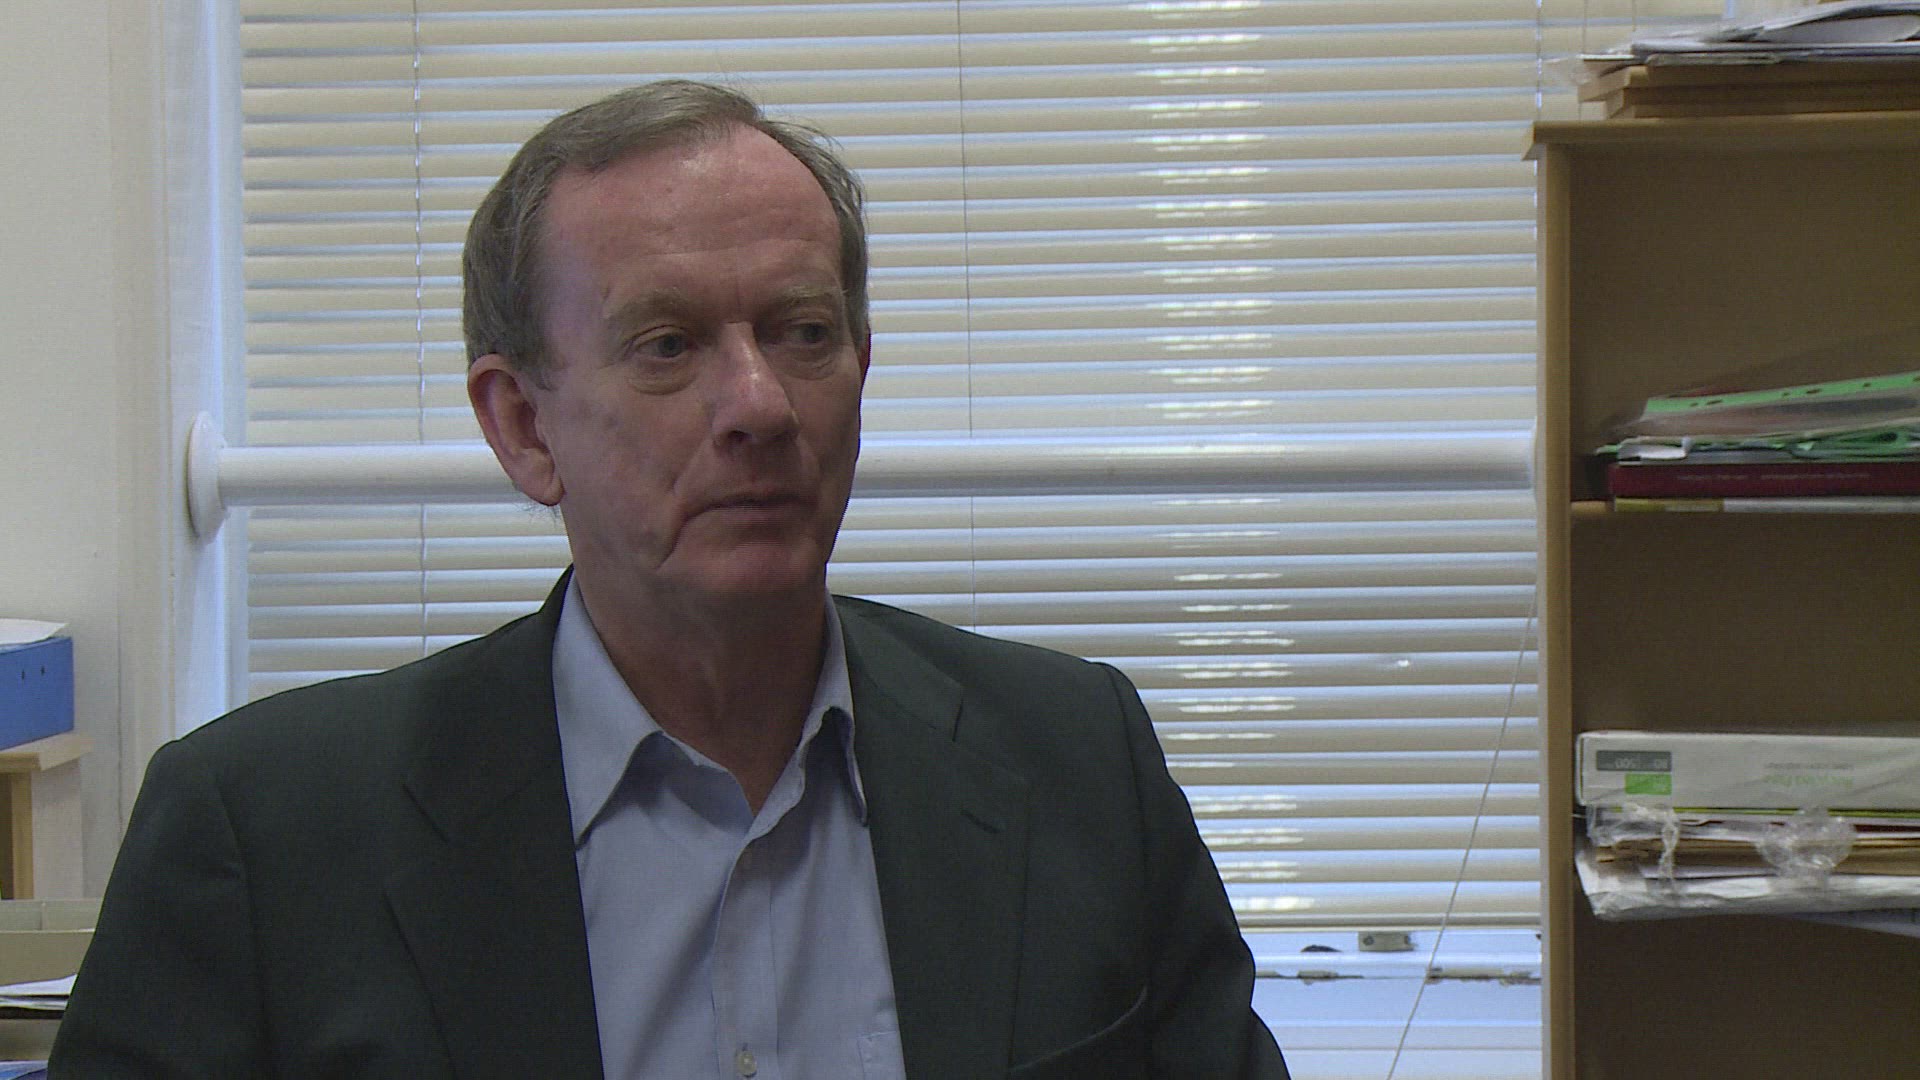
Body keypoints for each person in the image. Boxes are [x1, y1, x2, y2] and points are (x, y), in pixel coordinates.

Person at [52, 80, 1289, 1079]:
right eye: (667, 345)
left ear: (862, 368)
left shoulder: (1075, 764)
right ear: (522, 426)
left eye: (803, 333)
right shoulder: (264, 839)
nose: (758, 404)